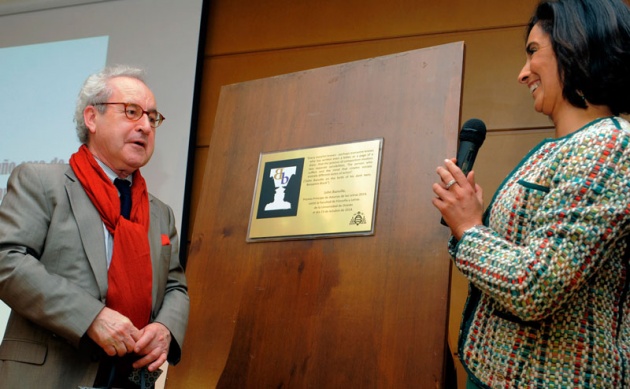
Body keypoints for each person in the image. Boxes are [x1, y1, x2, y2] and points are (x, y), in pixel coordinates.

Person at [432, 0, 630, 387]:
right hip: (496, 373)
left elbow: (534, 286)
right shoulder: (556, 149)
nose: (523, 74)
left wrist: (470, 228)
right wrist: (468, 218)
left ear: (577, 45)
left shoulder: (609, 147)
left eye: (533, 52)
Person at [0, 65, 189, 388]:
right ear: (92, 118)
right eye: (132, 112)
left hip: (129, 377)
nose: (145, 125)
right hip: (49, 376)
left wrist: (166, 328)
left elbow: (175, 286)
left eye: (152, 117)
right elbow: (7, 261)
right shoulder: (42, 182)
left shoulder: (160, 213)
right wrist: (90, 317)